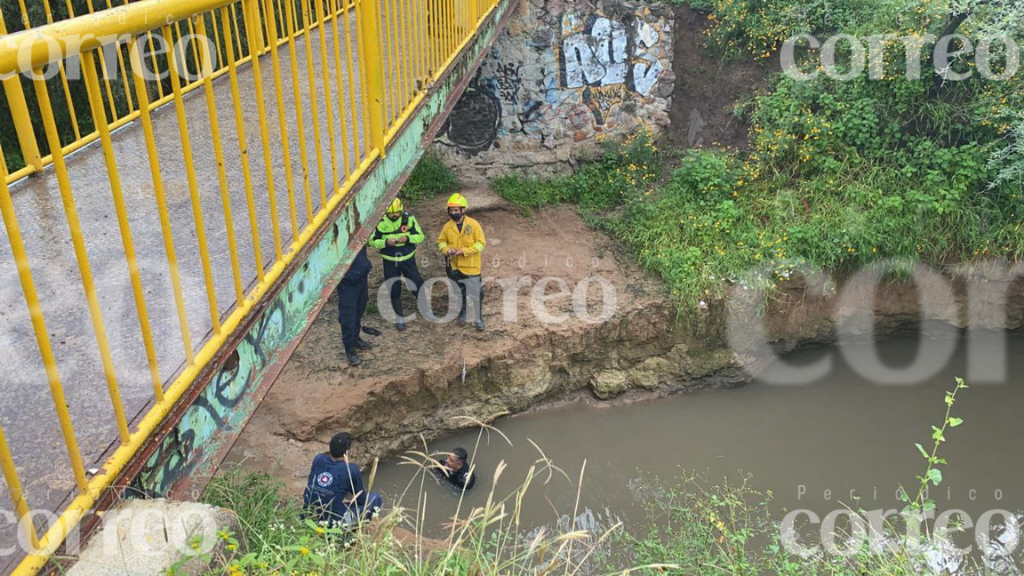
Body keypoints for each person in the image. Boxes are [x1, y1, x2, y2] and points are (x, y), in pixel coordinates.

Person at [303, 432, 384, 526]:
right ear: (347, 451)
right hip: (332, 522)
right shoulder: (350, 469)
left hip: (308, 515)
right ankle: (351, 527)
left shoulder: (318, 458)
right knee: (375, 498)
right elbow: (361, 500)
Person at [368, 198, 425, 331]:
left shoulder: (408, 218)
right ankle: (399, 318)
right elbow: (372, 241)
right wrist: (386, 242)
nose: (394, 216)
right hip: (390, 260)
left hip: (408, 259)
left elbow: (420, 236)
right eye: (391, 214)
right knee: (394, 288)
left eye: (397, 214)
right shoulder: (380, 222)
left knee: (417, 283)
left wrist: (408, 238)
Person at [437, 193, 486, 330]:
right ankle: (463, 313)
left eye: (456, 210)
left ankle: (478, 319)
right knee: (460, 292)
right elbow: (441, 242)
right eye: (451, 211)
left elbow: (481, 243)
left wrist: (464, 251)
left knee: (476, 294)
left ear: (463, 210)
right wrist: (447, 251)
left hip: (471, 266)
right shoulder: (447, 227)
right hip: (454, 266)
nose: (454, 213)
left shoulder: (473, 225)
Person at [337, 245, 374, 366]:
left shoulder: (356, 228)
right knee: (348, 315)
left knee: (360, 308)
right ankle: (349, 348)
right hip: (347, 281)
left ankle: (356, 338)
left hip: (361, 274)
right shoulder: (336, 234)